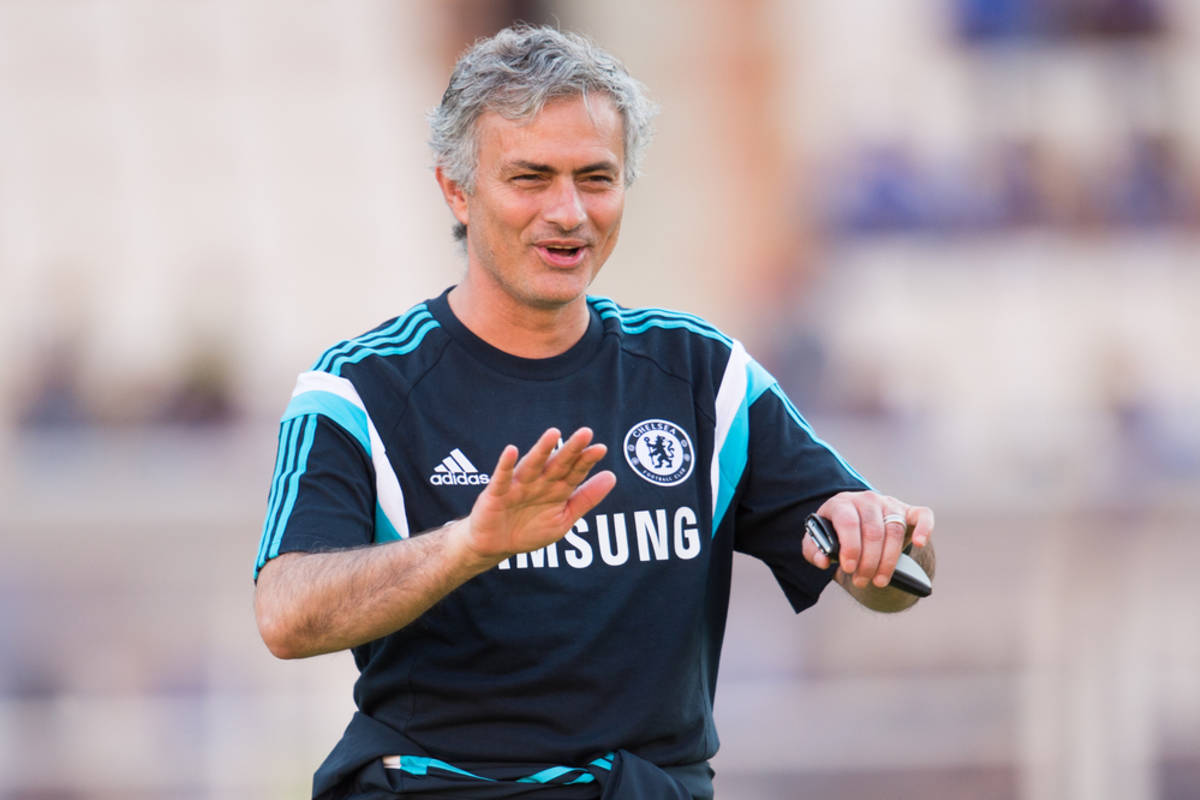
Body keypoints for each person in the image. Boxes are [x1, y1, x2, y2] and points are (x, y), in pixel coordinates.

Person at [253, 24, 935, 800]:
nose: (569, 212)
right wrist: (468, 546)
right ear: (456, 189)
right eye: (531, 178)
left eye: (596, 178)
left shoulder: (702, 375)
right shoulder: (358, 388)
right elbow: (285, 615)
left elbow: (890, 578)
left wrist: (884, 542)